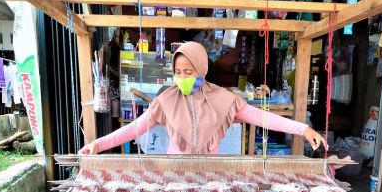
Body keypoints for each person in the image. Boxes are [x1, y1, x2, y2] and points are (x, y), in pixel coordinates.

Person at [80, 41, 327, 155]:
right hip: (175, 179)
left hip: (210, 177)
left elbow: (262, 117)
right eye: (178, 72)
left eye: (189, 72)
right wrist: (98, 144)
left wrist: (303, 129)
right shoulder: (165, 102)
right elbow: (134, 129)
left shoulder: (223, 100)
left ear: (202, 69)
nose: (182, 77)